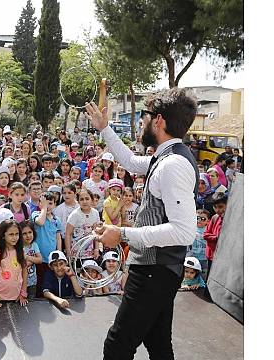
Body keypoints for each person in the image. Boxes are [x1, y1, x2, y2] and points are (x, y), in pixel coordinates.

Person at [85, 87, 199, 359]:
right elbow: (129, 160)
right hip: (158, 269)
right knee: (158, 344)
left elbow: (184, 231)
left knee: (118, 345)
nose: (141, 122)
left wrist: (122, 233)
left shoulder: (173, 165)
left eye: (145, 116)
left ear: (158, 120)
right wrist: (105, 128)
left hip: (154, 271)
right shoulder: (166, 158)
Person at [0, 219, 28, 308]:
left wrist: (23, 293)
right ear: (3, 235)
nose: (15, 237)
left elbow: (25, 272)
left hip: (17, 297)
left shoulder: (21, 251)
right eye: (11, 234)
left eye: (17, 234)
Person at [65, 188, 101, 259]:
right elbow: (68, 234)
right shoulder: (75, 215)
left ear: (92, 200)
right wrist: (68, 253)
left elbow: (96, 232)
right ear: (78, 201)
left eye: (87, 199)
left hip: (90, 253)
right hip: (76, 254)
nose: (84, 201)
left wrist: (96, 249)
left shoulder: (95, 213)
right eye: (81, 199)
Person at [204, 193, 228, 280]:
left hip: (224, 257)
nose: (217, 210)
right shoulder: (214, 217)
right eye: (215, 207)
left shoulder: (230, 219)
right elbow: (206, 234)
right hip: (212, 256)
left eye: (220, 206)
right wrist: (217, 238)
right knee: (210, 278)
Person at [20, 221, 42, 298]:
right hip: (21, 282)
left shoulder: (34, 245)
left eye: (30, 232)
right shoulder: (19, 248)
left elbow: (40, 260)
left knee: (32, 301)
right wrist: (33, 260)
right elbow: (22, 265)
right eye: (24, 233)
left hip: (32, 281)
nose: (28, 235)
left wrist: (27, 257)